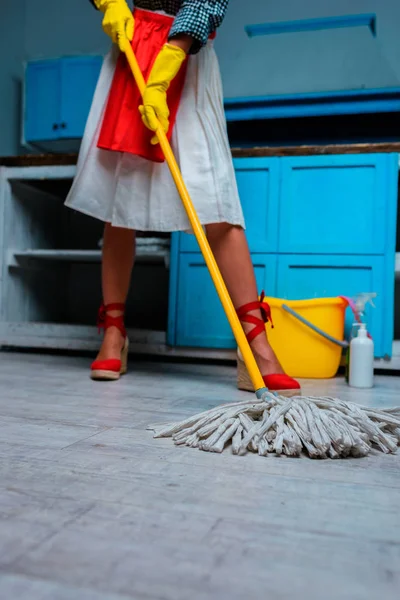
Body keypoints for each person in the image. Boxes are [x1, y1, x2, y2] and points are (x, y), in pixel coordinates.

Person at [65, 0, 300, 395]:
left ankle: (254, 344)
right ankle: (114, 333)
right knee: (120, 200)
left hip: (185, 57)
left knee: (216, 203)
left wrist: (171, 57)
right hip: (133, 52)